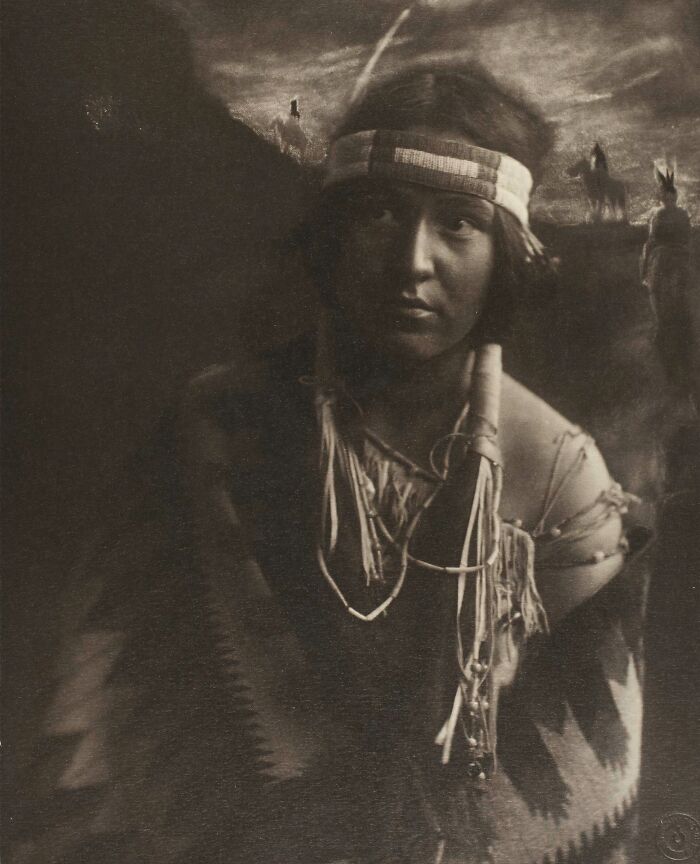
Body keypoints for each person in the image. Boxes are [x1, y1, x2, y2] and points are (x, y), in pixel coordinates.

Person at [28, 62, 650, 864]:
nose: (412, 261)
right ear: (330, 235)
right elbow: (101, 723)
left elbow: (582, 781)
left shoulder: (562, 473)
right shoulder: (218, 428)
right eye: (381, 213)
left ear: (507, 254)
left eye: (459, 223)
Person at [641, 166, 693, 395]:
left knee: (660, 306)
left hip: (663, 260)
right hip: (681, 259)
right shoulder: (682, 215)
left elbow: (651, 242)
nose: (668, 200)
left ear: (664, 197)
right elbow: (688, 238)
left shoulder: (658, 215)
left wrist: (643, 270)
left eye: (667, 197)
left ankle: (668, 358)